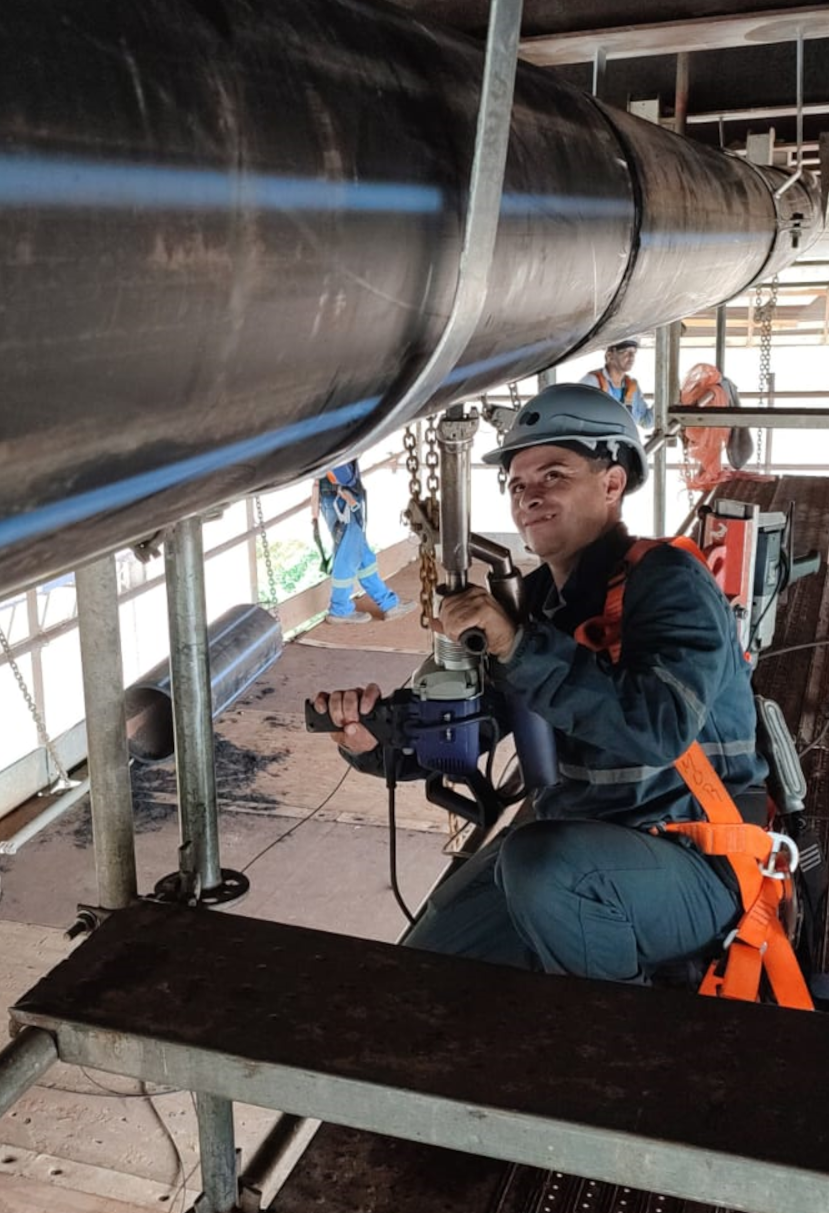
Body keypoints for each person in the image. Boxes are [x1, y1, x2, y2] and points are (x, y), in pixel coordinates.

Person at [314, 385, 768, 984]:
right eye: (517, 484)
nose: (530, 495)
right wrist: (378, 742)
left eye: (553, 474)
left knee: (540, 865)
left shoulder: (670, 582)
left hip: (696, 857)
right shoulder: (540, 604)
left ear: (611, 484)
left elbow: (657, 727)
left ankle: (617, 1059)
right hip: (582, 845)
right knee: (421, 967)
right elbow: (478, 723)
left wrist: (516, 645)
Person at [317, 460, 413, 625]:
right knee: (347, 558)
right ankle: (339, 609)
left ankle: (388, 604)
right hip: (342, 499)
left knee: (364, 558)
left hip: (345, 496)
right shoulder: (328, 442)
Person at [581, 339, 652, 429]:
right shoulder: (592, 382)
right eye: (626, 352)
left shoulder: (632, 387)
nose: (632, 357)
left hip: (624, 440)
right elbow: (581, 421)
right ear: (610, 356)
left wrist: (666, 398)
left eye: (634, 352)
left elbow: (646, 421)